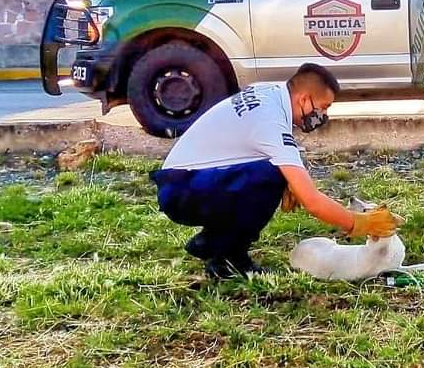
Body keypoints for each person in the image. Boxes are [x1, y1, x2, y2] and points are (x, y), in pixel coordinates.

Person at [151, 63, 401, 278]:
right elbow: (312, 201)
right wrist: (359, 223)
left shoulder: (269, 93)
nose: (323, 115)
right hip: (184, 191)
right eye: (323, 107)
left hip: (184, 180)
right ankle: (228, 260)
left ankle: (211, 242)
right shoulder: (271, 122)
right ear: (304, 99)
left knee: (276, 175)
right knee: (272, 175)